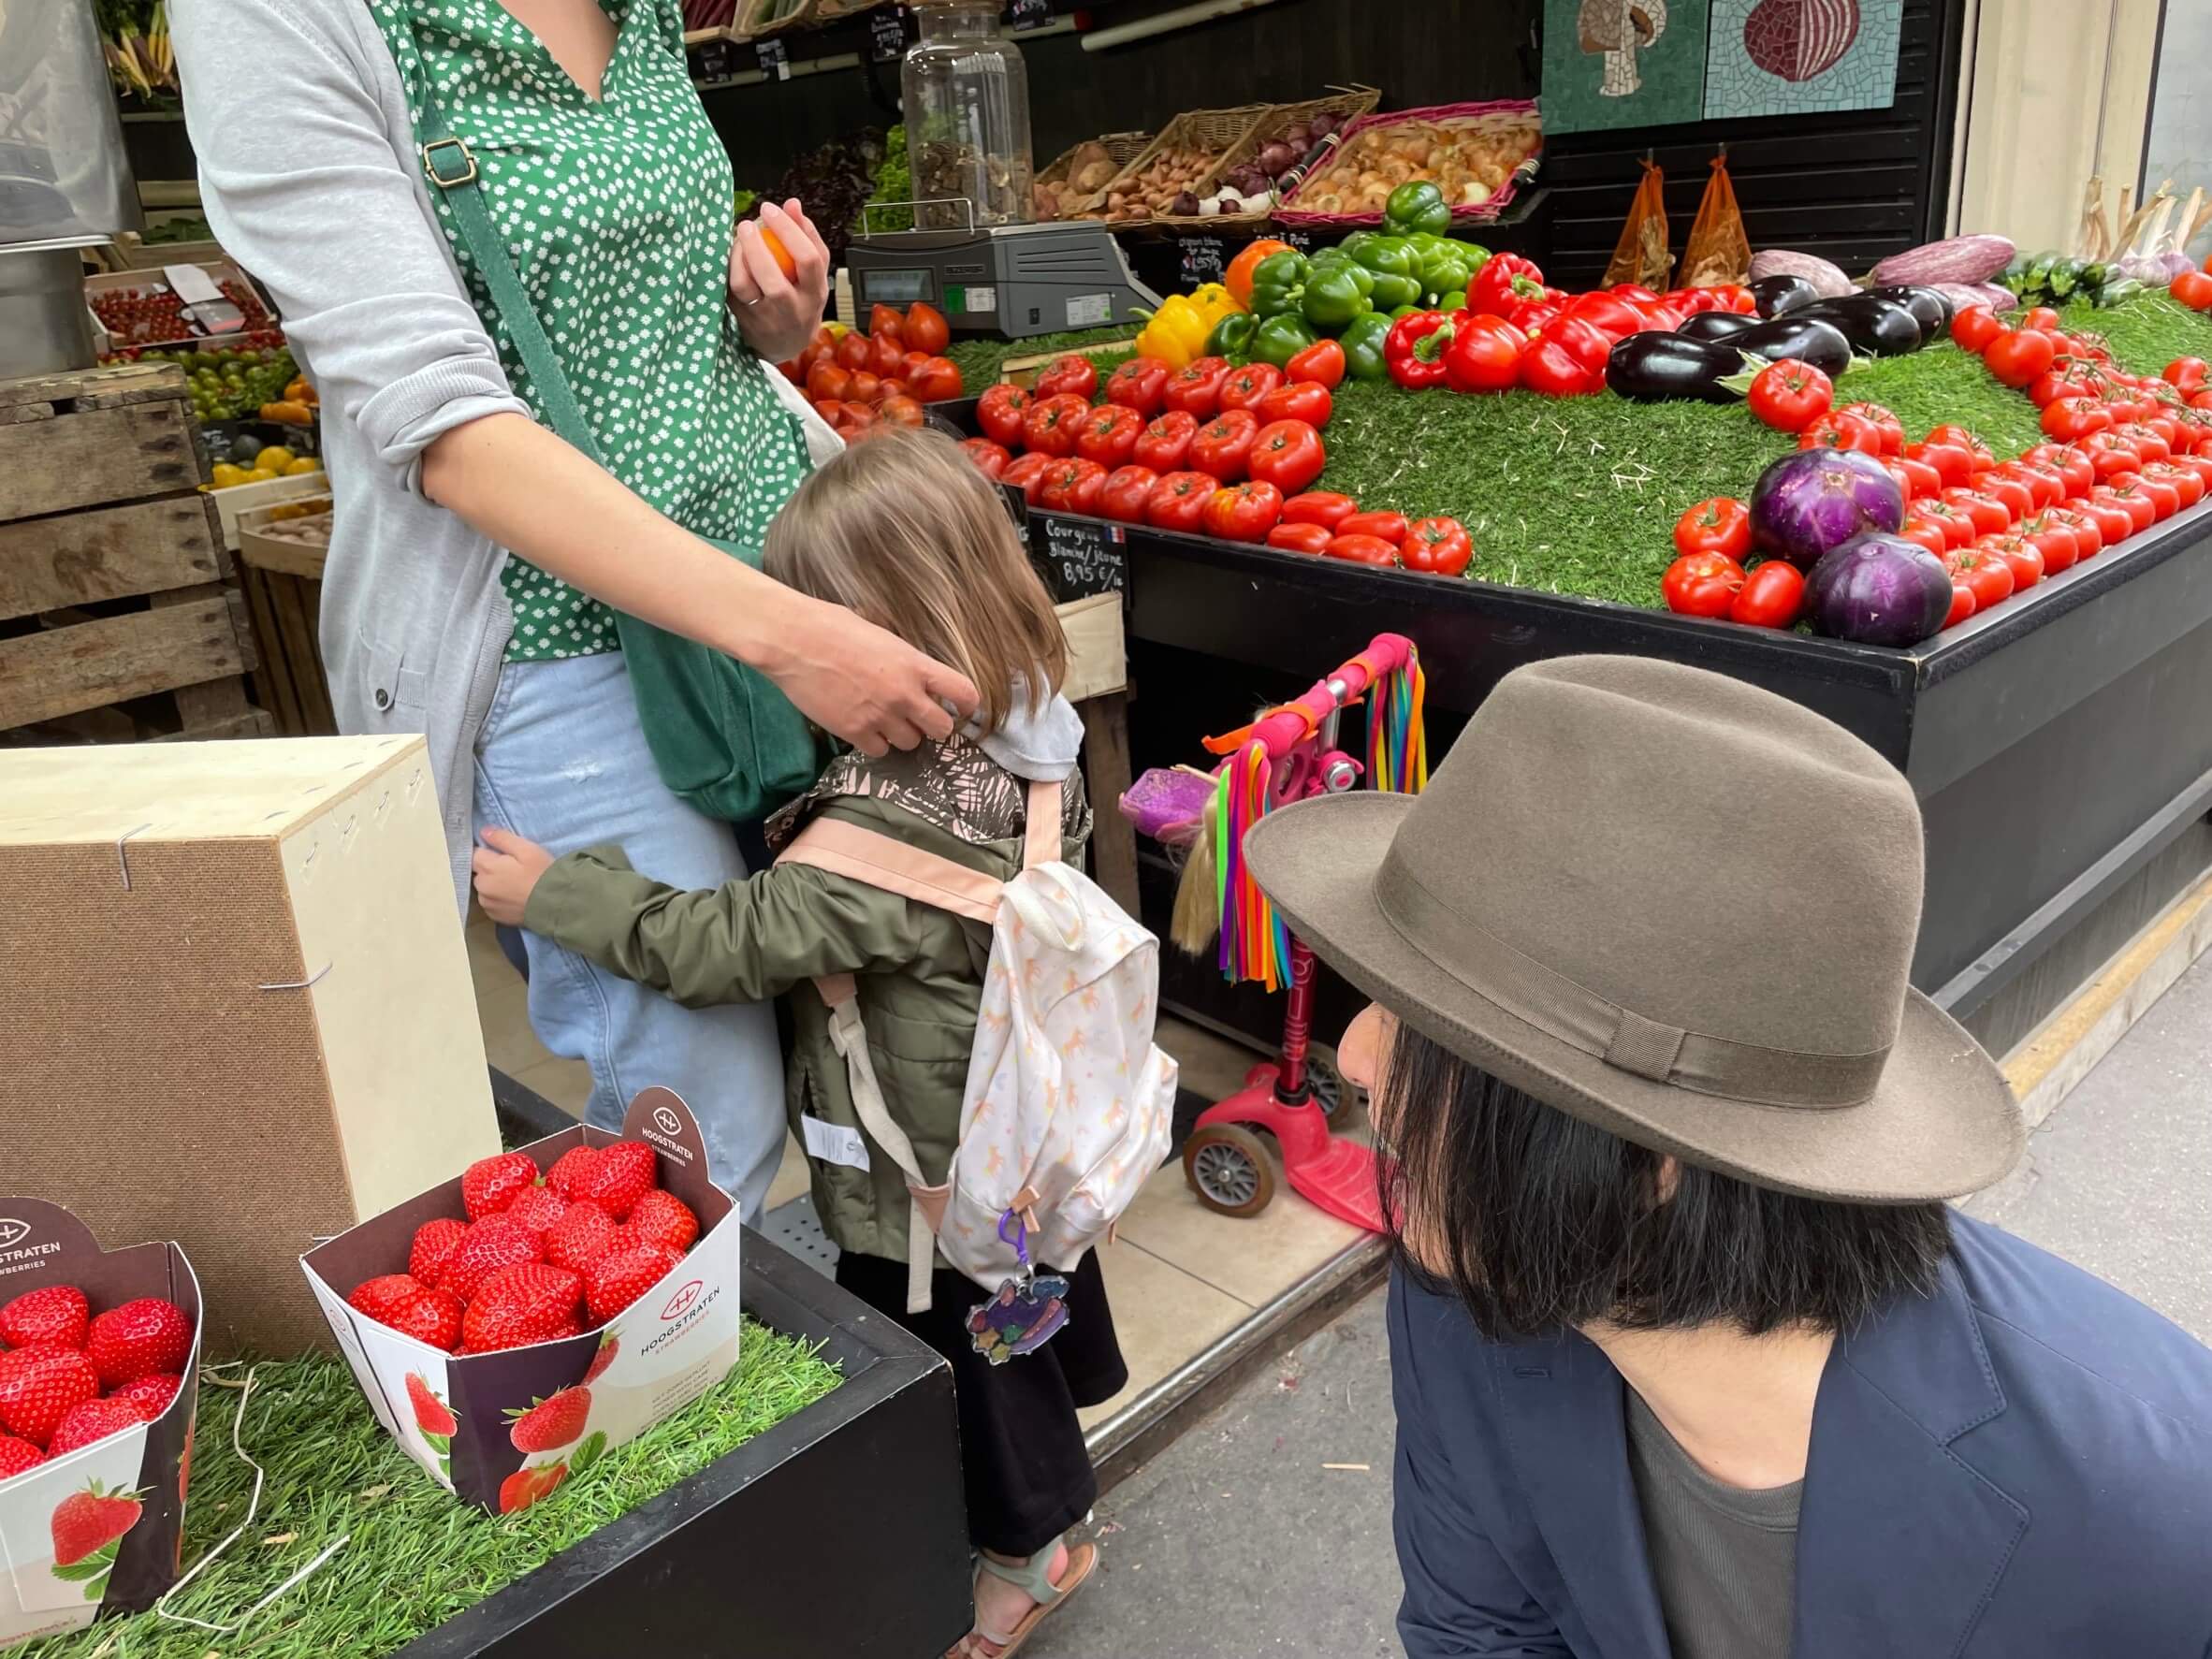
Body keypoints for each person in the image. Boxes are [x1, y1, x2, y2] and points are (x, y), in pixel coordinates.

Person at [172, 0, 976, 1219]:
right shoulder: (280, 14)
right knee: (706, 1127)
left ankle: (840, 1350)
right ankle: (662, 1393)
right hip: (571, 643)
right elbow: (438, 424)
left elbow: (625, 322)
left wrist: (770, 322)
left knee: (850, 1014)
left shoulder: (638, 11)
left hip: (785, 587)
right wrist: (791, 636)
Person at [1241, 654, 2212, 1659]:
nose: (1354, 1053)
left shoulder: (2154, 1521)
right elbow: (1476, 1630)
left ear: (1650, 1159)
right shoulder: (1473, 1298)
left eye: (1437, 1032)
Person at [472, 429, 1119, 1659]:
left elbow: (721, 940)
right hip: (1023, 1128)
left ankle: (1032, 1553)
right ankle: (1054, 1477)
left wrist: (558, 893)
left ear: (882, 630)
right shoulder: (1031, 732)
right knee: (1024, 1314)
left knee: (964, 1364)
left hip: (918, 1180)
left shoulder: (881, 847)